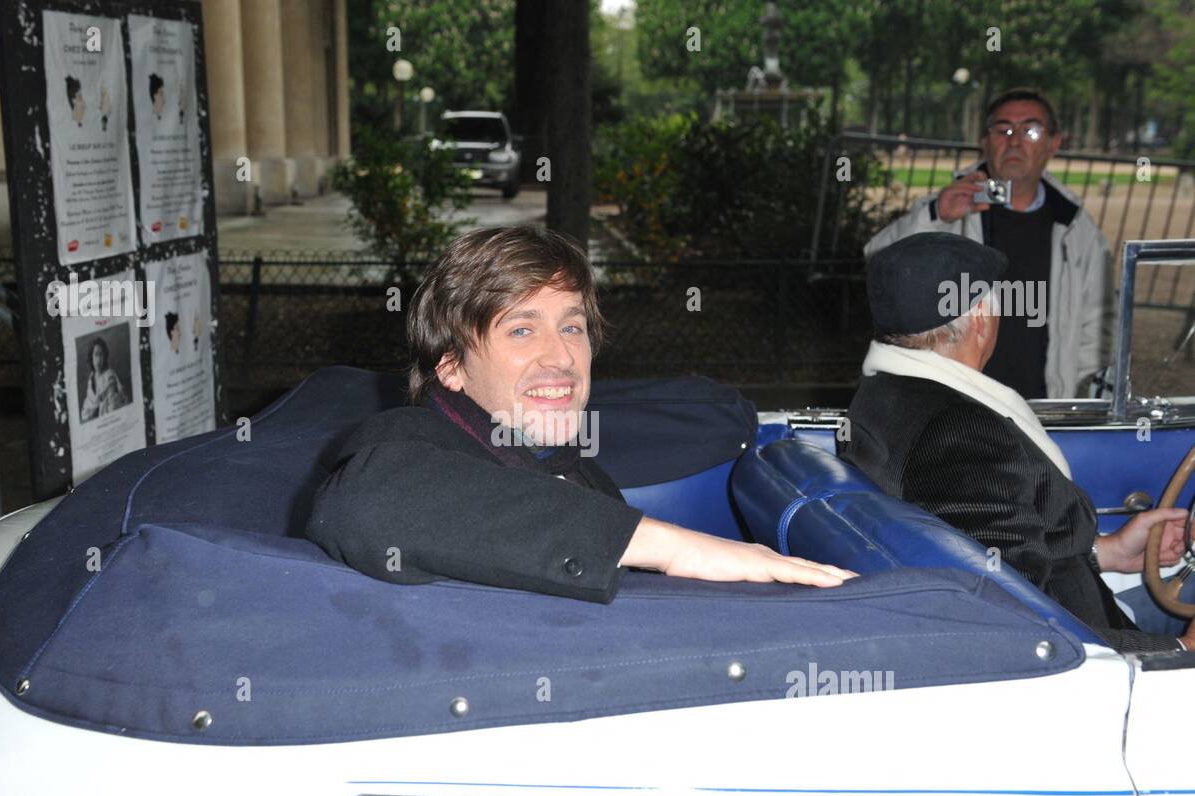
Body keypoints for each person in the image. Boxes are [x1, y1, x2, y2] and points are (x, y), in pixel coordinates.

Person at [305, 226, 855, 603]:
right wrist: (674, 548)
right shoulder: (410, 438)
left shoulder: (562, 463)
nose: (562, 357)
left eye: (572, 327)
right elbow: (370, 502)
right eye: (521, 330)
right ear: (450, 367)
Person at [838, 232, 1194, 651]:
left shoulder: (881, 398)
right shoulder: (960, 433)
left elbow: (997, 559)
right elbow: (1018, 623)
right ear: (982, 319)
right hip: (1093, 659)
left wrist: (1107, 552)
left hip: (1082, 608)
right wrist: (1180, 651)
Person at [864, 89, 1111, 400]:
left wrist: (1080, 401)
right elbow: (878, 261)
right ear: (985, 141)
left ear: (1054, 143)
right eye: (1003, 130)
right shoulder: (950, 207)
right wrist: (936, 216)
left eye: (1030, 130)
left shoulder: (1076, 226)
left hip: (1045, 406)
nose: (1015, 141)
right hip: (958, 402)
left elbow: (1098, 325)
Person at [80, 337, 128, 422]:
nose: (98, 359)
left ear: (104, 356)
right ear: (91, 357)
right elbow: (88, 405)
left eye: (101, 355)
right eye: (96, 355)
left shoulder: (109, 376)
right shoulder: (91, 379)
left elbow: (113, 405)